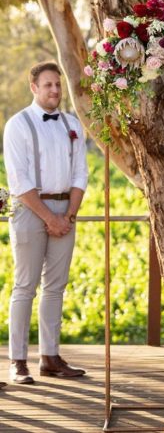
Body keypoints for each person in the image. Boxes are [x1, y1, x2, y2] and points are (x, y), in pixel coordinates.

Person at [3, 61, 88, 384]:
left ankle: (50, 357)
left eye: (58, 84)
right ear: (34, 88)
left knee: (56, 286)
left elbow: (81, 171)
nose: (54, 90)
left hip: (66, 211)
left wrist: (68, 215)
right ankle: (18, 361)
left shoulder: (72, 123)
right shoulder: (18, 124)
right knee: (25, 286)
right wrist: (49, 217)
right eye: (48, 85)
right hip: (29, 209)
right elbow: (19, 179)